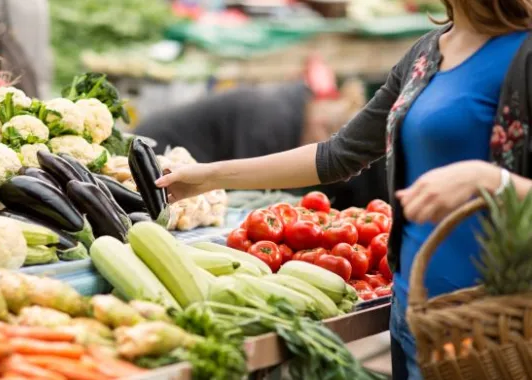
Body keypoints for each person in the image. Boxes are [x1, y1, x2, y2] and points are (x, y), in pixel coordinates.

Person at [154, 1, 532, 379]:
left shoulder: (523, 53)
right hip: (415, 317)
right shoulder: (426, 53)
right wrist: (207, 176)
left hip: (497, 325)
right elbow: (337, 155)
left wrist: (492, 181)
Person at [134, 79, 389, 209]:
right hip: (157, 150)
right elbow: (249, 185)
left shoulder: (291, 108)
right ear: (322, 123)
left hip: (192, 159)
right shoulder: (271, 120)